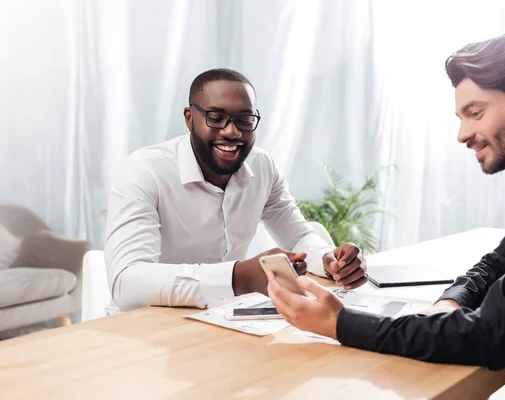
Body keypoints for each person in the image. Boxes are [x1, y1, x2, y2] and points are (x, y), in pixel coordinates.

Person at [266, 35, 505, 398]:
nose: (463, 134)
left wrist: (340, 323)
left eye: (476, 112)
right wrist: (450, 302)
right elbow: (497, 263)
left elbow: (493, 335)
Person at [104, 68, 367, 313]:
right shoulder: (143, 172)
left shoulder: (262, 166)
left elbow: (297, 236)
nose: (232, 132)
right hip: (149, 329)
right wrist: (237, 277)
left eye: (244, 120)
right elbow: (126, 283)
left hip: (227, 318)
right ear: (189, 118)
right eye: (216, 118)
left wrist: (329, 260)